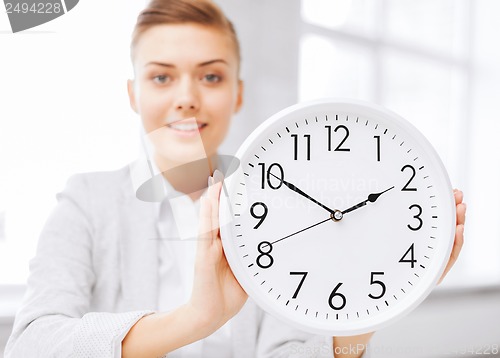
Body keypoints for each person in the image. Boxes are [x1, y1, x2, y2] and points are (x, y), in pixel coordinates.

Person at [4, 0, 466, 357]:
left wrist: (370, 314)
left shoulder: (283, 210)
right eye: (162, 78)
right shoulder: (88, 201)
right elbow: (30, 345)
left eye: (211, 76)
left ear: (237, 93)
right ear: (134, 94)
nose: (186, 97)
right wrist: (196, 319)